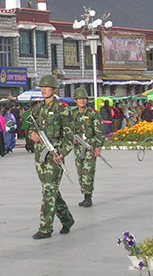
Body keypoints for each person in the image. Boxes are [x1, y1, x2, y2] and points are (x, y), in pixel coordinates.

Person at [28, 75, 74, 240]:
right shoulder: (37, 109)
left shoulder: (63, 108)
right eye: (42, 87)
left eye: (47, 87)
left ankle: (45, 227)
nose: (44, 90)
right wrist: (31, 134)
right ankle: (67, 219)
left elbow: (69, 135)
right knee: (50, 189)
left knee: (49, 190)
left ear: (55, 89)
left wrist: (62, 152)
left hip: (54, 154)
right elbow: (29, 128)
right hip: (40, 156)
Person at [71, 87, 105, 208]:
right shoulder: (72, 113)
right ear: (75, 100)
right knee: (80, 171)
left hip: (90, 146)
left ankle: (88, 196)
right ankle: (84, 193)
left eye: (84, 99)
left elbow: (100, 131)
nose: (82, 101)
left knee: (88, 171)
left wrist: (98, 146)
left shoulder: (92, 113)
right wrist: (71, 138)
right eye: (79, 99)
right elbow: (67, 130)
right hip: (78, 147)